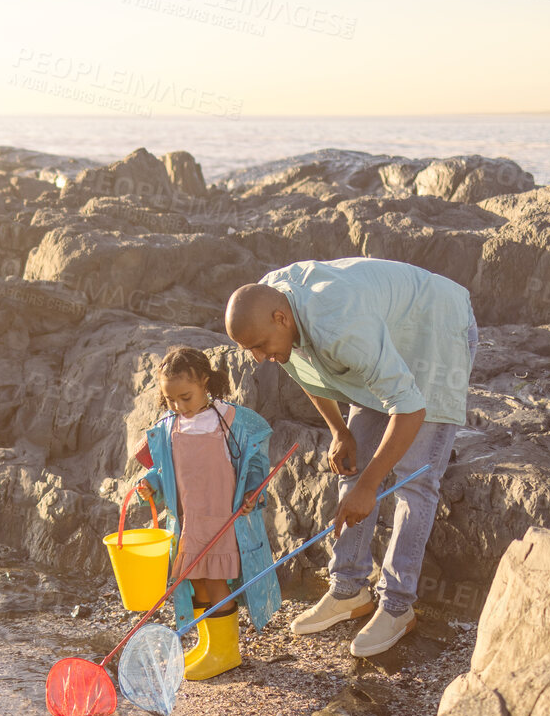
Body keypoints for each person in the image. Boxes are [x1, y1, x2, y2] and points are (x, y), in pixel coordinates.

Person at [224, 257, 479, 657]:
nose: (257, 357)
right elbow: (304, 368)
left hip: (434, 332)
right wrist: (340, 432)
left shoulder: (340, 325)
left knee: (415, 481)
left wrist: (371, 486)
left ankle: (397, 606)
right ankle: (349, 589)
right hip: (384, 340)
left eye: (258, 347)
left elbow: (409, 408)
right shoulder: (273, 307)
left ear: (281, 318)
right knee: (352, 466)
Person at [133, 346, 280, 681]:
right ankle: (208, 641)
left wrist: (252, 492)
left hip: (221, 519)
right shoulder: (168, 427)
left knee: (215, 581)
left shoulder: (230, 421)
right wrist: (149, 485)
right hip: (189, 522)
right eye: (170, 400)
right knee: (196, 580)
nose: (179, 406)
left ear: (205, 382)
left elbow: (256, 465)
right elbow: (163, 471)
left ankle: (226, 651)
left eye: (186, 397)